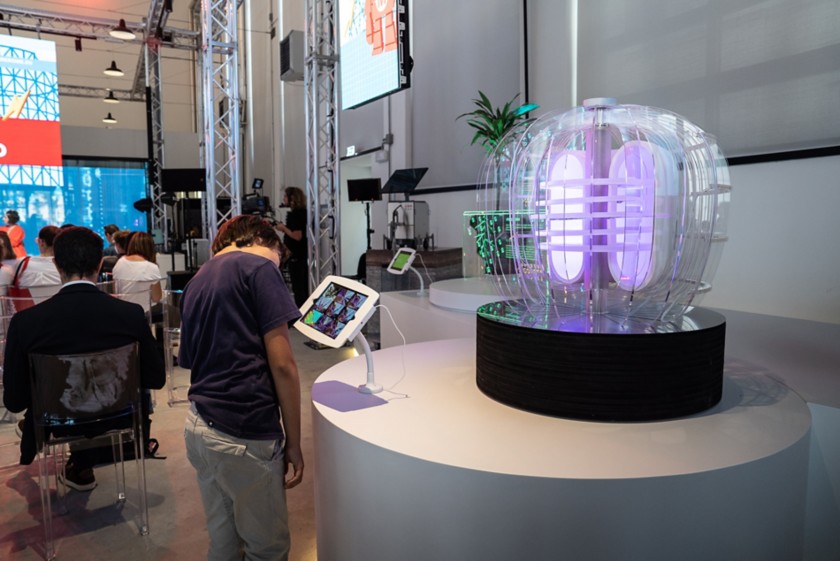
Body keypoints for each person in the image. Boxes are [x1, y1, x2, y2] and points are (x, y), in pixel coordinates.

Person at [180, 215, 304, 560]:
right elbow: (283, 365)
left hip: (200, 425)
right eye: (278, 255)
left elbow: (192, 358)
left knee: (223, 543)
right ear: (263, 240)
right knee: (268, 547)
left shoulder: (198, 279)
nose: (277, 264)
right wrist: (294, 442)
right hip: (245, 428)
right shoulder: (259, 269)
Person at [2, 226, 165, 489]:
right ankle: (81, 465)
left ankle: (79, 465)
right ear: (101, 263)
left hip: (56, 421)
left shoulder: (26, 323)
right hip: (119, 414)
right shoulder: (130, 314)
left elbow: (14, 399)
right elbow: (155, 379)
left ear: (56, 264)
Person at [112, 232, 163, 313]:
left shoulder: (119, 263)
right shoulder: (152, 267)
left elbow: (116, 292)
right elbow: (157, 297)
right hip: (144, 315)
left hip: (122, 313)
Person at [275, 186, 308, 307]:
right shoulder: (303, 213)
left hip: (297, 257)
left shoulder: (296, 215)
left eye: (285, 196)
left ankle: (301, 316)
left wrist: (283, 228)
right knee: (302, 288)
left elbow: (297, 236)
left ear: (292, 198)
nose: (283, 198)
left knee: (299, 289)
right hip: (301, 256)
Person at [11, 225, 62, 298]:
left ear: (41, 242)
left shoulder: (21, 264)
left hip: (27, 308)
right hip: (57, 307)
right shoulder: (66, 268)